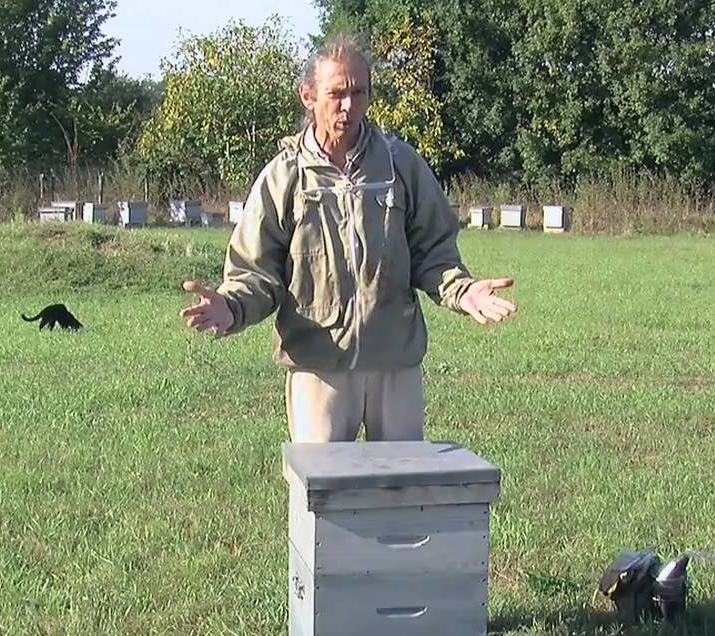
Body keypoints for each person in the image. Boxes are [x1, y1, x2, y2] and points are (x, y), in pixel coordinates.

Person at [180, 33, 516, 443]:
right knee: (322, 498)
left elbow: (434, 254)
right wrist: (232, 306)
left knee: (400, 494)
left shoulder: (400, 165)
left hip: (395, 364)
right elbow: (257, 271)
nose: (348, 106)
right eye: (336, 93)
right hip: (318, 366)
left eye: (359, 92)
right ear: (308, 95)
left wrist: (464, 292)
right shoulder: (285, 176)